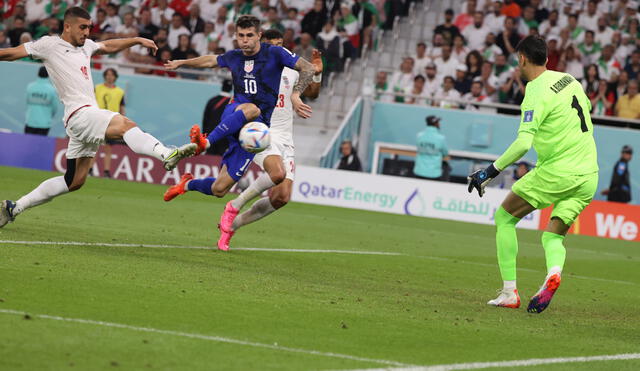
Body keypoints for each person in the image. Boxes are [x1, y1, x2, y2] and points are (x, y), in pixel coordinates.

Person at [0, 7, 196, 228]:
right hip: (79, 114)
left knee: (73, 181)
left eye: (89, 27)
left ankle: (13, 207)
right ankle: (166, 153)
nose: (87, 32)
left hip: (83, 118)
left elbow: (108, 45)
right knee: (125, 124)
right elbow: (11, 53)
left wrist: (137, 39)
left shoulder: (86, 47)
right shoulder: (49, 45)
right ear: (67, 26)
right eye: (82, 27)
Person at [467, 35, 598, 314]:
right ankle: (553, 273)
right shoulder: (570, 80)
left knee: (504, 217)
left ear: (522, 58)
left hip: (558, 171)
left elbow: (524, 143)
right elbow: (587, 110)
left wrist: (489, 172)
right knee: (553, 237)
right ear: (547, 58)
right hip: (589, 174)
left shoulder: (535, 91)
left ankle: (509, 292)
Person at [162, 15, 318, 250]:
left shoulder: (274, 54)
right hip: (237, 115)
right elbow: (209, 61)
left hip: (256, 132)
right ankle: (206, 141)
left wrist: (296, 94)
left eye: (249, 36)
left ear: (258, 35)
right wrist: (182, 62)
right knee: (251, 108)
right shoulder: (234, 57)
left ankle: (187, 184)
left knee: (220, 189)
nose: (244, 41)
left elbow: (307, 68)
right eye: (240, 36)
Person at [95, 68, 125, 178]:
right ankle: (90, 169)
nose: (109, 77)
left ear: (115, 77)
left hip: (111, 122)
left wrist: (122, 120)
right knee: (94, 145)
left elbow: (122, 107)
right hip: (97, 120)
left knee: (108, 147)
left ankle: (106, 171)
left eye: (111, 75)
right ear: (104, 76)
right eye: (107, 74)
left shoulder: (120, 91)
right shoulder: (97, 88)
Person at [200, 79, 233, 155]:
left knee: (209, 160)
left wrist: (204, 137)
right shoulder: (232, 103)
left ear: (222, 86)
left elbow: (205, 120)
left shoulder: (212, 100)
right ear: (231, 88)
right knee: (220, 161)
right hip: (224, 137)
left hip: (211, 136)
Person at [413, 115, 450, 181]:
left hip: (419, 170)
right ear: (435, 124)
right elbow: (445, 153)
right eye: (438, 122)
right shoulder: (441, 138)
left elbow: (418, 148)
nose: (439, 124)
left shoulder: (419, 135)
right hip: (434, 173)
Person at [24, 66, 58, 136]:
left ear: (38, 74)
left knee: (28, 145)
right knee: (39, 146)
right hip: (44, 124)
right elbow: (55, 108)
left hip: (30, 122)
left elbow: (27, 102)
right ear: (48, 74)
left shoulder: (30, 87)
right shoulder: (51, 89)